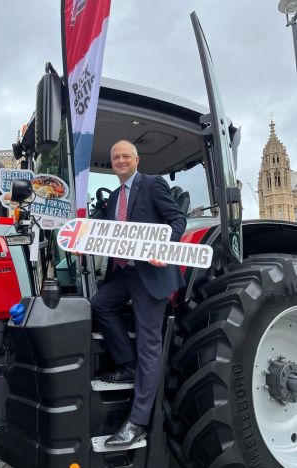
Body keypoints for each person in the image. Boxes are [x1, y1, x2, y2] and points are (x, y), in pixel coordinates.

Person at [90, 140, 187, 448]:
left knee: (150, 344)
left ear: (136, 160)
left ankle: (138, 422)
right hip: (126, 272)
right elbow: (108, 234)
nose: (120, 161)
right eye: (116, 157)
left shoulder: (152, 184)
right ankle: (127, 363)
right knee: (99, 304)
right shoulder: (115, 195)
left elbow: (177, 220)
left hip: (151, 274)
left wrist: (164, 247)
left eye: (125, 156)